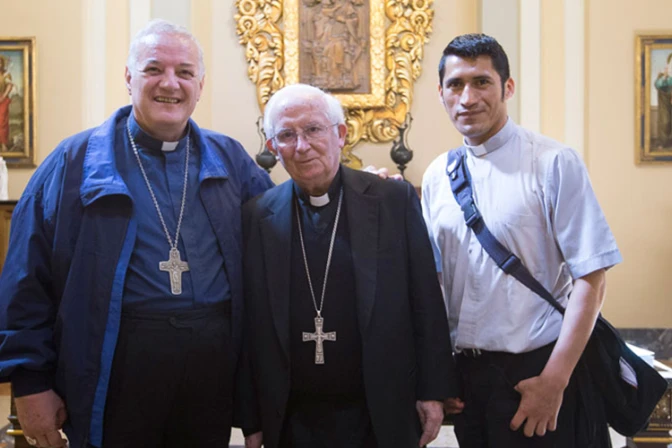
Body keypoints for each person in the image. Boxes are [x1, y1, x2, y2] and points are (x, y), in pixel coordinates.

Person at [0, 19, 273, 448]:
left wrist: (357, 191)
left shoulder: (230, 158)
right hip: (114, 370)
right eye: (154, 69)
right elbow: (25, 279)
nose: (171, 84)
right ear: (129, 78)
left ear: (200, 85)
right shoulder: (73, 162)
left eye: (185, 72)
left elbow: (282, 228)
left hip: (210, 376)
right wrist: (30, 381)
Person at [421, 34, 622, 447]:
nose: (467, 98)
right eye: (455, 85)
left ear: (507, 87)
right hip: (469, 379)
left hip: (539, 370)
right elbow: (436, 284)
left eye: (482, 82)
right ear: (440, 93)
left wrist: (554, 380)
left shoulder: (552, 162)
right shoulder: (437, 176)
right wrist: (443, 374)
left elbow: (591, 277)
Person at [237, 83, 457, 448]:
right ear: (273, 148)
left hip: (380, 411)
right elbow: (249, 326)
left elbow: (426, 300)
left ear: (340, 134)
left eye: (313, 129)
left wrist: (433, 391)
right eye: (287, 135)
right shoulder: (257, 216)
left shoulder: (393, 200)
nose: (302, 146)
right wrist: (252, 418)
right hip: (292, 418)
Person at [654, 53, 672, 148]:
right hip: (665, 102)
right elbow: (657, 85)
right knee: (665, 121)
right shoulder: (663, 76)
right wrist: (664, 77)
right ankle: (663, 142)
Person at [0, 54, 13, 152]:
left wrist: (3, 96)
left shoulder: (6, 75)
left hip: (2, 100)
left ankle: (3, 143)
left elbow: (9, 85)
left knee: (2, 122)